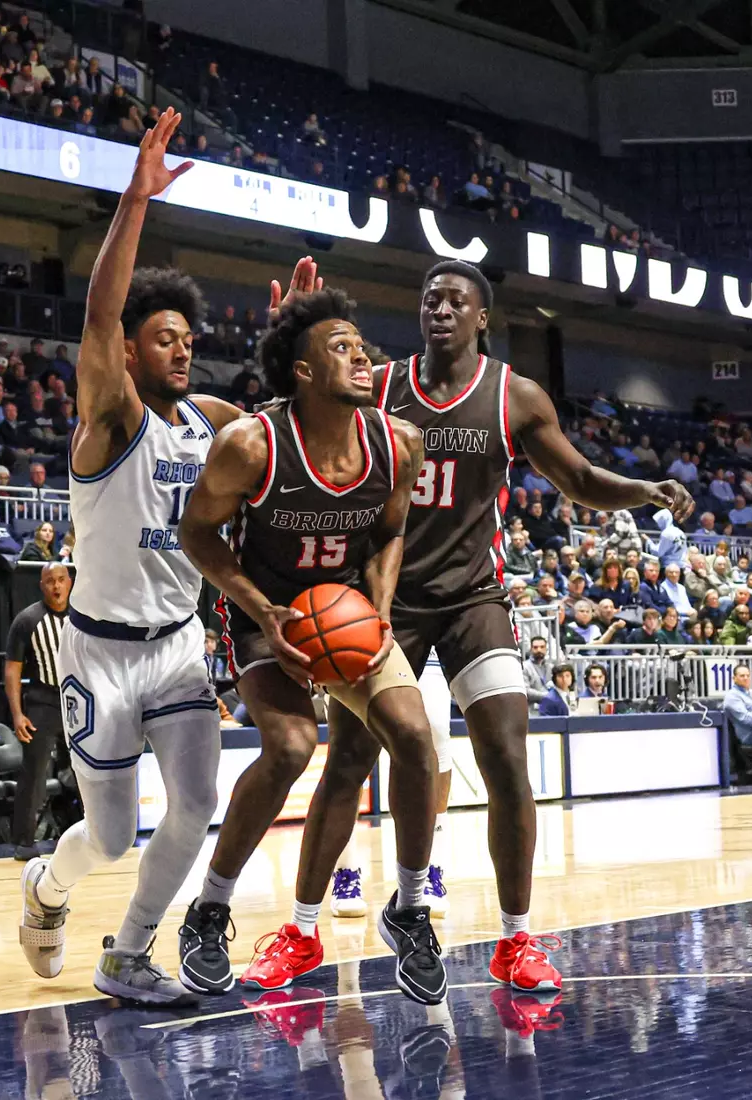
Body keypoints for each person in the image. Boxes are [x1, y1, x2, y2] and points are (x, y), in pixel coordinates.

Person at [275, 259, 692, 996]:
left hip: (473, 598)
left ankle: (516, 938)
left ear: (481, 320)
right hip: (384, 598)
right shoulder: (385, 383)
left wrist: (641, 490)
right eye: (429, 296)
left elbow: (581, 480)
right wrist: (303, 337)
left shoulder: (514, 396)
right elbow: (311, 411)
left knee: (506, 754)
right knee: (347, 762)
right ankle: (303, 931)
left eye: (454, 300)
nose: (438, 308)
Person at [18, 110, 244, 1009]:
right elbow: (99, 310)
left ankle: (131, 951)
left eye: (189, 336)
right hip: (101, 652)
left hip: (178, 645)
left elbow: (280, 435)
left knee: (197, 803)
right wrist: (135, 198)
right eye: (164, 336)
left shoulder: (213, 424)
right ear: (129, 353)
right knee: (108, 838)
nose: (182, 344)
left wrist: (287, 332)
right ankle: (47, 888)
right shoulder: (111, 417)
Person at [178, 285, 445, 1004]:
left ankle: (411, 908)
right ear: (301, 371)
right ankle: (210, 909)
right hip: (270, 616)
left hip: (350, 615)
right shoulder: (251, 446)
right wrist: (264, 613)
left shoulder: (400, 443)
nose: (361, 356)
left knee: (416, 741)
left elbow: (390, 531)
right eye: (340, 346)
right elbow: (197, 534)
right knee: (292, 749)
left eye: (363, 345)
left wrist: (380, 608)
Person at [3, 564, 71, 862]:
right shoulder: (28, 619)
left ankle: (87, 832)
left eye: (60, 580)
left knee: (88, 770)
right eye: (49, 582)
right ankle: (24, 841)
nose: (56, 586)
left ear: (69, 582)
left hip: (79, 701)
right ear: (41, 586)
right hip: (43, 700)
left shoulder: (85, 616)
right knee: (34, 772)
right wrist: (17, 714)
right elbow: (12, 671)